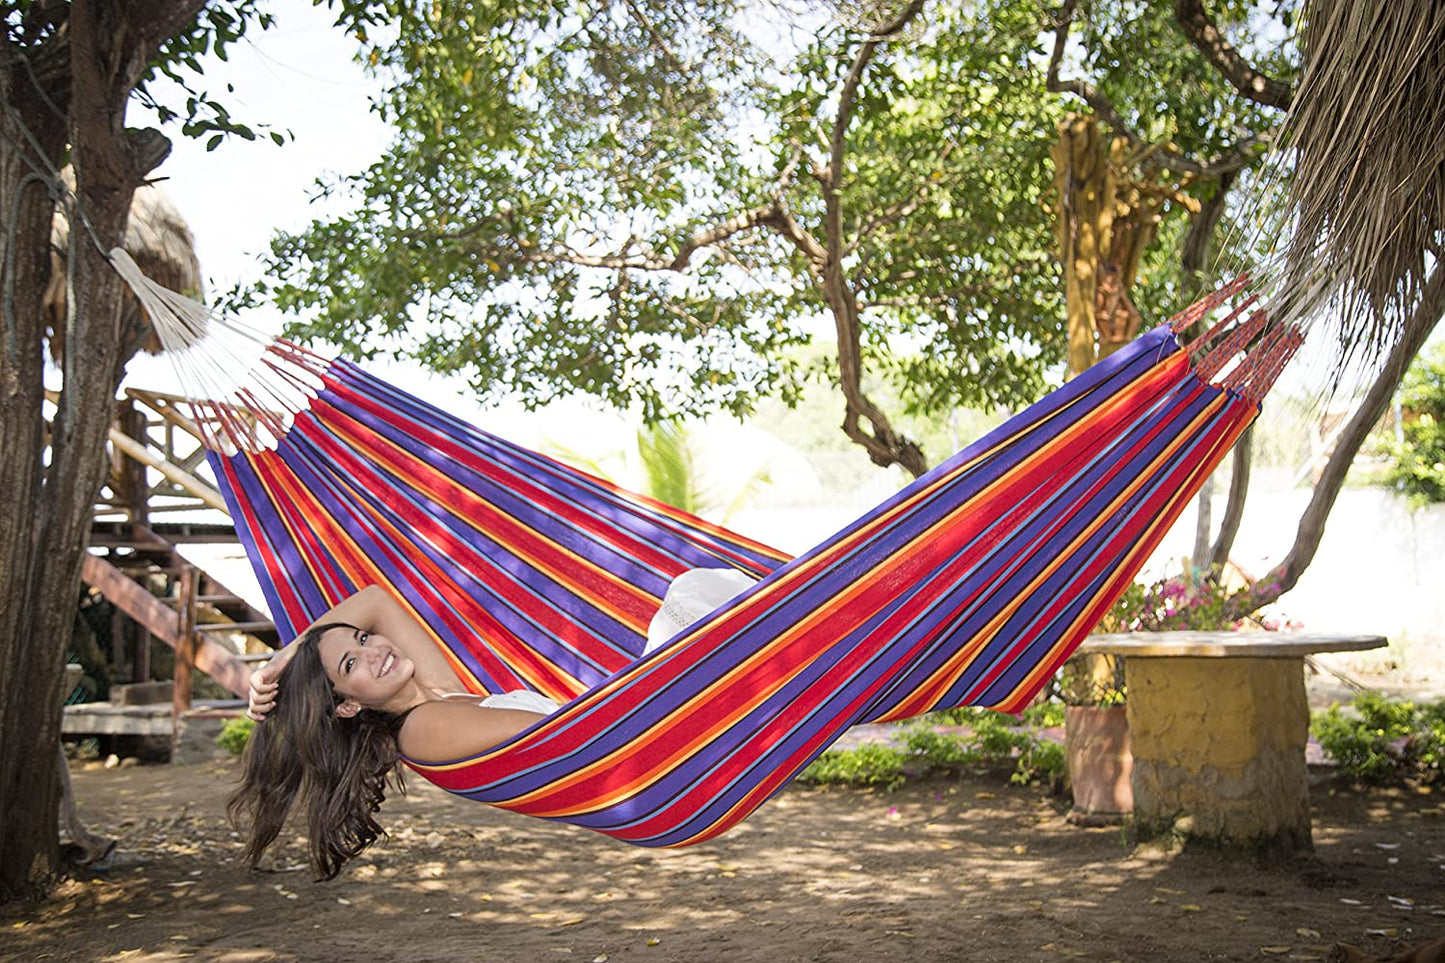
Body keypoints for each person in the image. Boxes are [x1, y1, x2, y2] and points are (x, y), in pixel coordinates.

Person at [231, 570, 756, 880]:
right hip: (647, 760)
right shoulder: (421, 728)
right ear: (345, 707)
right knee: (696, 597)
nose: (375, 651)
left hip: (644, 739)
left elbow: (375, 601)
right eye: (352, 665)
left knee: (711, 605)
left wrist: (287, 656)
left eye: (364, 642)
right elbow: (573, 737)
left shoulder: (436, 693)